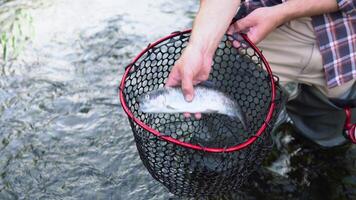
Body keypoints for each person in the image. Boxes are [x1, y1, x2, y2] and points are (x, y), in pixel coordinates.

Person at [166, 0, 356, 147]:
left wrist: (284, 12)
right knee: (219, 139)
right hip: (262, 32)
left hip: (346, 40)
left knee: (329, 140)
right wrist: (199, 48)